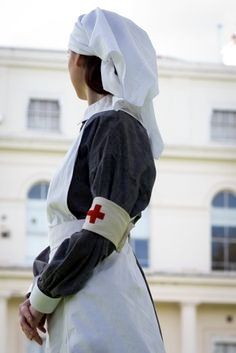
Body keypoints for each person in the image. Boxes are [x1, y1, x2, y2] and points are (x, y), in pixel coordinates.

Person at [19, 7, 166, 353]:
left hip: (100, 299)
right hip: (81, 292)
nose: (67, 61)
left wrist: (44, 294)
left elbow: (101, 229)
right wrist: (38, 291)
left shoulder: (117, 123)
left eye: (70, 52)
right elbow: (69, 231)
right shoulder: (101, 124)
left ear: (83, 60)